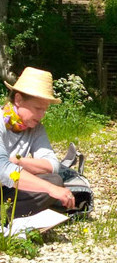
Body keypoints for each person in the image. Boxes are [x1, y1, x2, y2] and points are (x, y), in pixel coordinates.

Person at [0, 66, 75, 218]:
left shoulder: (35, 128)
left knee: (55, 181)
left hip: (7, 189)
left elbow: (53, 165)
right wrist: (49, 189)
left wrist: (18, 161)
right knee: (51, 187)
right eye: (38, 108)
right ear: (18, 100)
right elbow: (2, 169)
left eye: (45, 110)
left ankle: (7, 216)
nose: (42, 115)